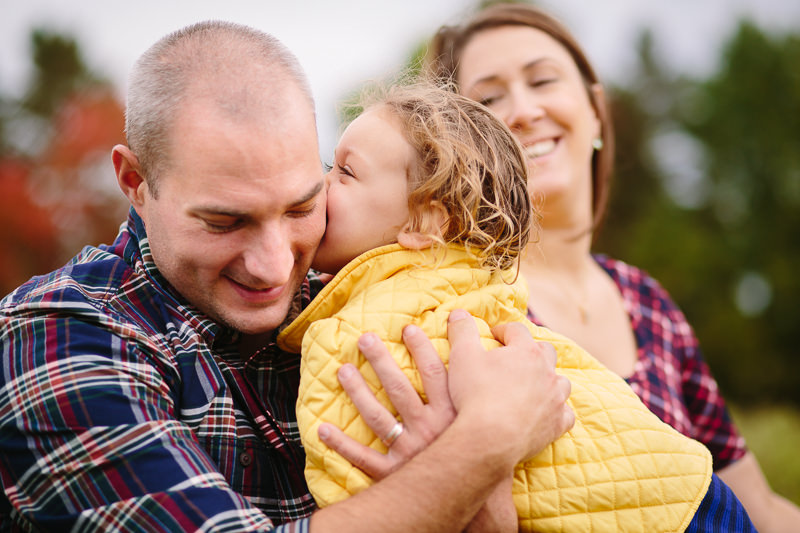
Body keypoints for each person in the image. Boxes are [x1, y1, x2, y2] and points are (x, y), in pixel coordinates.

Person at [0, 20, 576, 532]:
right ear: (135, 182)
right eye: (226, 221)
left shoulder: (376, 292)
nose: (275, 266)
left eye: (302, 207)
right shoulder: (60, 334)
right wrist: (486, 446)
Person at [275, 81, 751, 532]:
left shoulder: (365, 330)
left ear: (424, 222)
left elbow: (354, 485)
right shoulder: (467, 289)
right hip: (684, 493)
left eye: (345, 171)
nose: (322, 184)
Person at [425, 3, 800, 531]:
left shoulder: (647, 300)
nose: (524, 110)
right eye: (489, 98)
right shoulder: (461, 300)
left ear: (595, 109)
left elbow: (757, 507)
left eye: (543, 80)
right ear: (459, 140)